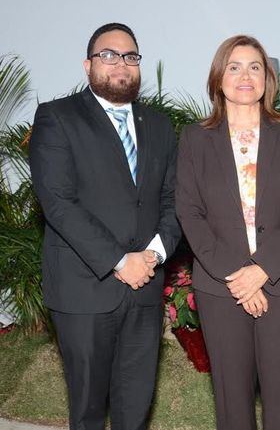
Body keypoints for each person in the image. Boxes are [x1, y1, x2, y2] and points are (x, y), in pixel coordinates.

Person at [29, 22, 181, 430]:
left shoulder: (160, 126)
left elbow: (172, 201)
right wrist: (118, 260)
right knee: (89, 411)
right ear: (88, 64)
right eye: (109, 55)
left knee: (135, 408)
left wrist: (151, 255)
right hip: (85, 290)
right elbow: (58, 203)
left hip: (145, 287)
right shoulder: (57, 118)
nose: (121, 64)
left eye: (131, 56)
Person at [175, 35, 280, 430]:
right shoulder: (194, 139)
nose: (245, 75)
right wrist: (240, 276)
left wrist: (262, 270)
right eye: (234, 67)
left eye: (255, 67)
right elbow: (189, 212)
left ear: (267, 79)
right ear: (219, 78)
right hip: (221, 287)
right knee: (231, 403)